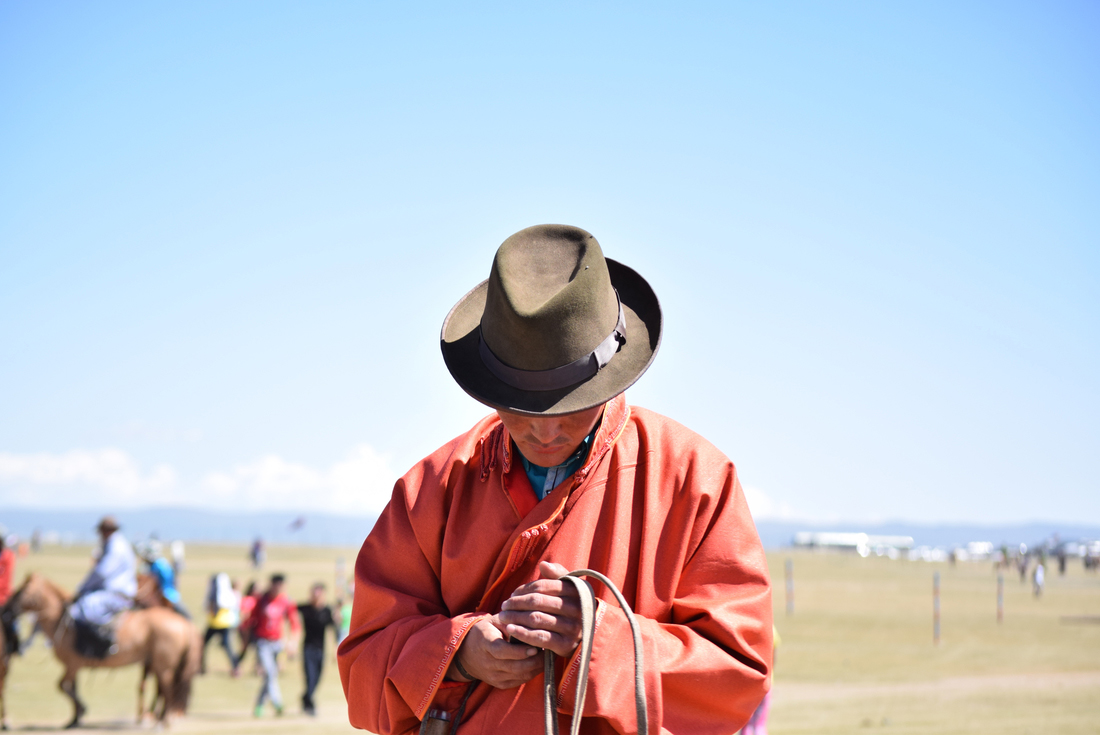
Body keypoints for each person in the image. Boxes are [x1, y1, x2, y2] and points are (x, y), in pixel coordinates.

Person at [337, 225, 772, 734]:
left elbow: (738, 675)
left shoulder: (693, 479)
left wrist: (598, 639)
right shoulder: (432, 487)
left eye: (570, 405)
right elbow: (362, 664)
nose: (544, 431)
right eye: (520, 407)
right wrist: (458, 653)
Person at [71, 516, 138, 658]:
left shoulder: (116, 546)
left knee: (82, 608)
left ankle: (102, 644)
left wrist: (82, 588)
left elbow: (101, 572)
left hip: (116, 594)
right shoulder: (115, 544)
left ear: (106, 531)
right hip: (114, 592)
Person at [241, 573, 300, 717]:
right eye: (276, 585)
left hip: (277, 643)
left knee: (270, 675)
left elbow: (294, 623)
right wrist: (245, 640)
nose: (278, 588)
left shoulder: (286, 602)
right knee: (269, 673)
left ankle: (259, 706)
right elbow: (250, 621)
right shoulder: (262, 600)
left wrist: (293, 641)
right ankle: (277, 703)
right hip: (262, 642)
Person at [297, 582, 337, 715]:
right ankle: (309, 705)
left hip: (321, 649)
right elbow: (289, 610)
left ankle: (305, 698)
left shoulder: (327, 611)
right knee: (310, 677)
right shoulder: (305, 609)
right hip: (308, 648)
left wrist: (335, 648)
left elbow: (334, 628)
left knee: (318, 678)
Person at [137, 541, 190, 619]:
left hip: (165, 594)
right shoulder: (161, 563)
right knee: (187, 617)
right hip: (168, 595)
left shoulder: (155, 565)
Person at [202, 572, 241, 676]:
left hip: (224, 624)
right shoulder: (211, 595)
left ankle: (235, 667)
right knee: (202, 644)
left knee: (228, 647)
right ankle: (201, 666)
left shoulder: (227, 594)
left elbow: (228, 605)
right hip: (213, 624)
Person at [0, 535, 18, 656]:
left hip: (3, 598)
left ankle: (14, 646)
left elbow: (6, 580)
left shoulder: (8, 556)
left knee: (11, 622)